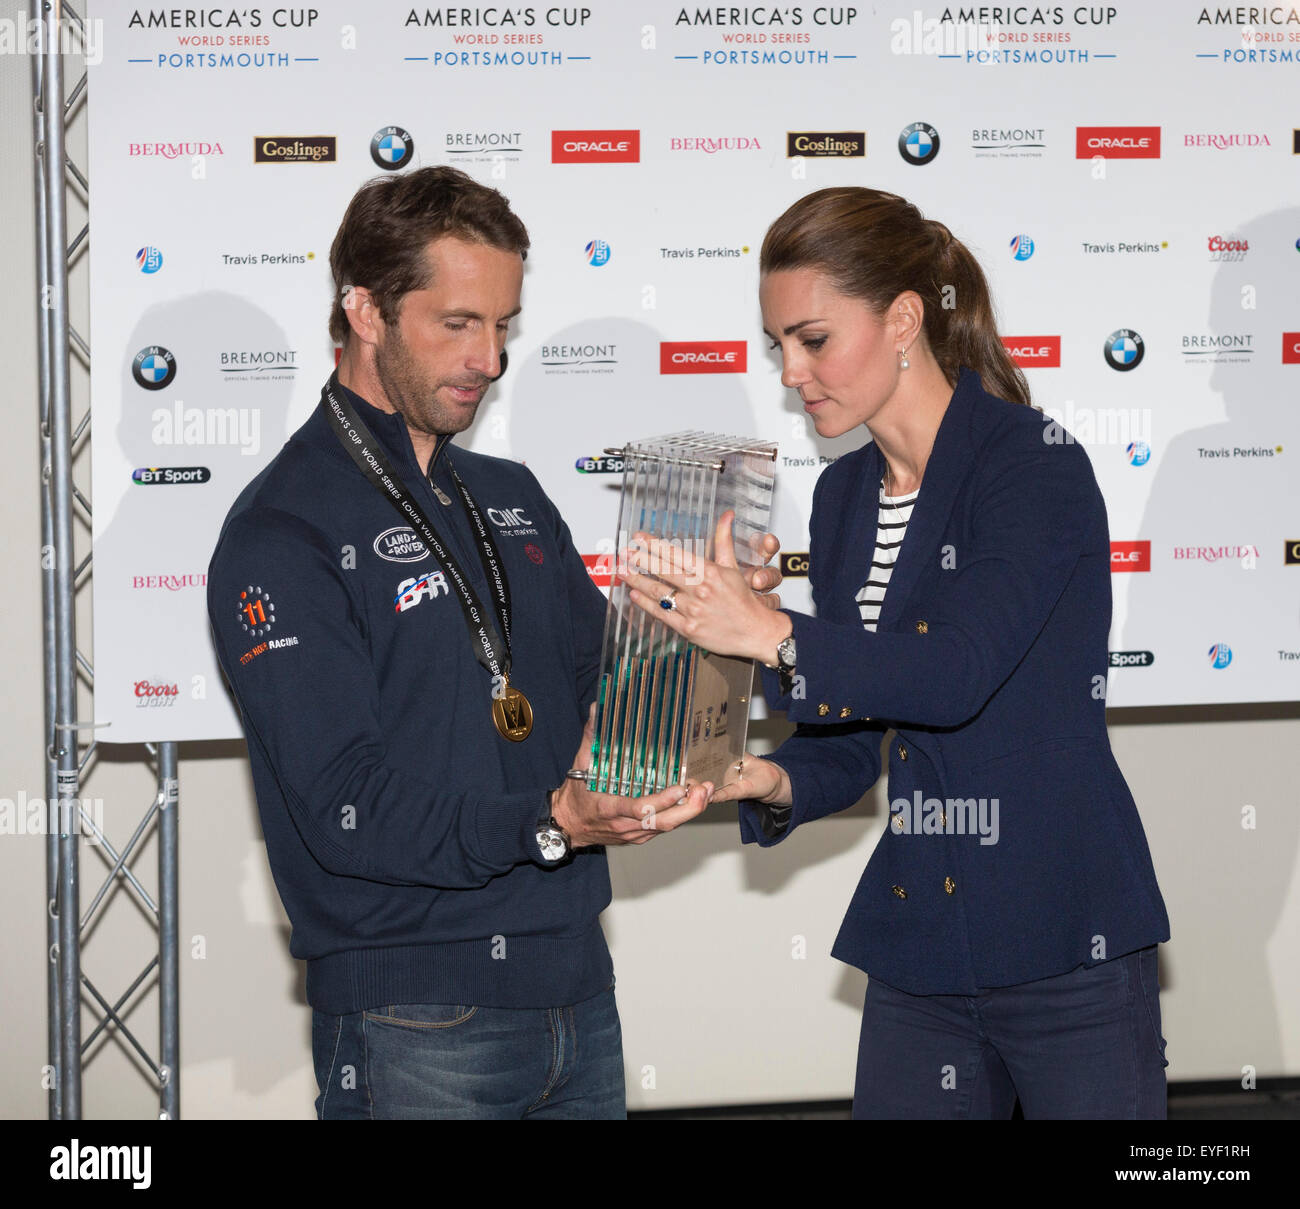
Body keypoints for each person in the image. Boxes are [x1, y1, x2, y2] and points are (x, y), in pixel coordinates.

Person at [206, 166, 779, 1119]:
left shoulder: (512, 494)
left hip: (578, 993)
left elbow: (626, 699)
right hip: (410, 1015)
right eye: (457, 323)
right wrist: (549, 821)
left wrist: (716, 626)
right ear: (365, 309)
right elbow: (344, 804)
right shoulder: (283, 530)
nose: (490, 358)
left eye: (503, 325)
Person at [623, 186, 1172, 1120]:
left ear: (906, 318)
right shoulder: (843, 501)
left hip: (1066, 936)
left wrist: (773, 631)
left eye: (814, 338)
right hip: (921, 943)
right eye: (778, 347)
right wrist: (760, 778)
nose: (792, 372)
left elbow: (954, 672)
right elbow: (852, 738)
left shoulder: (1031, 464)